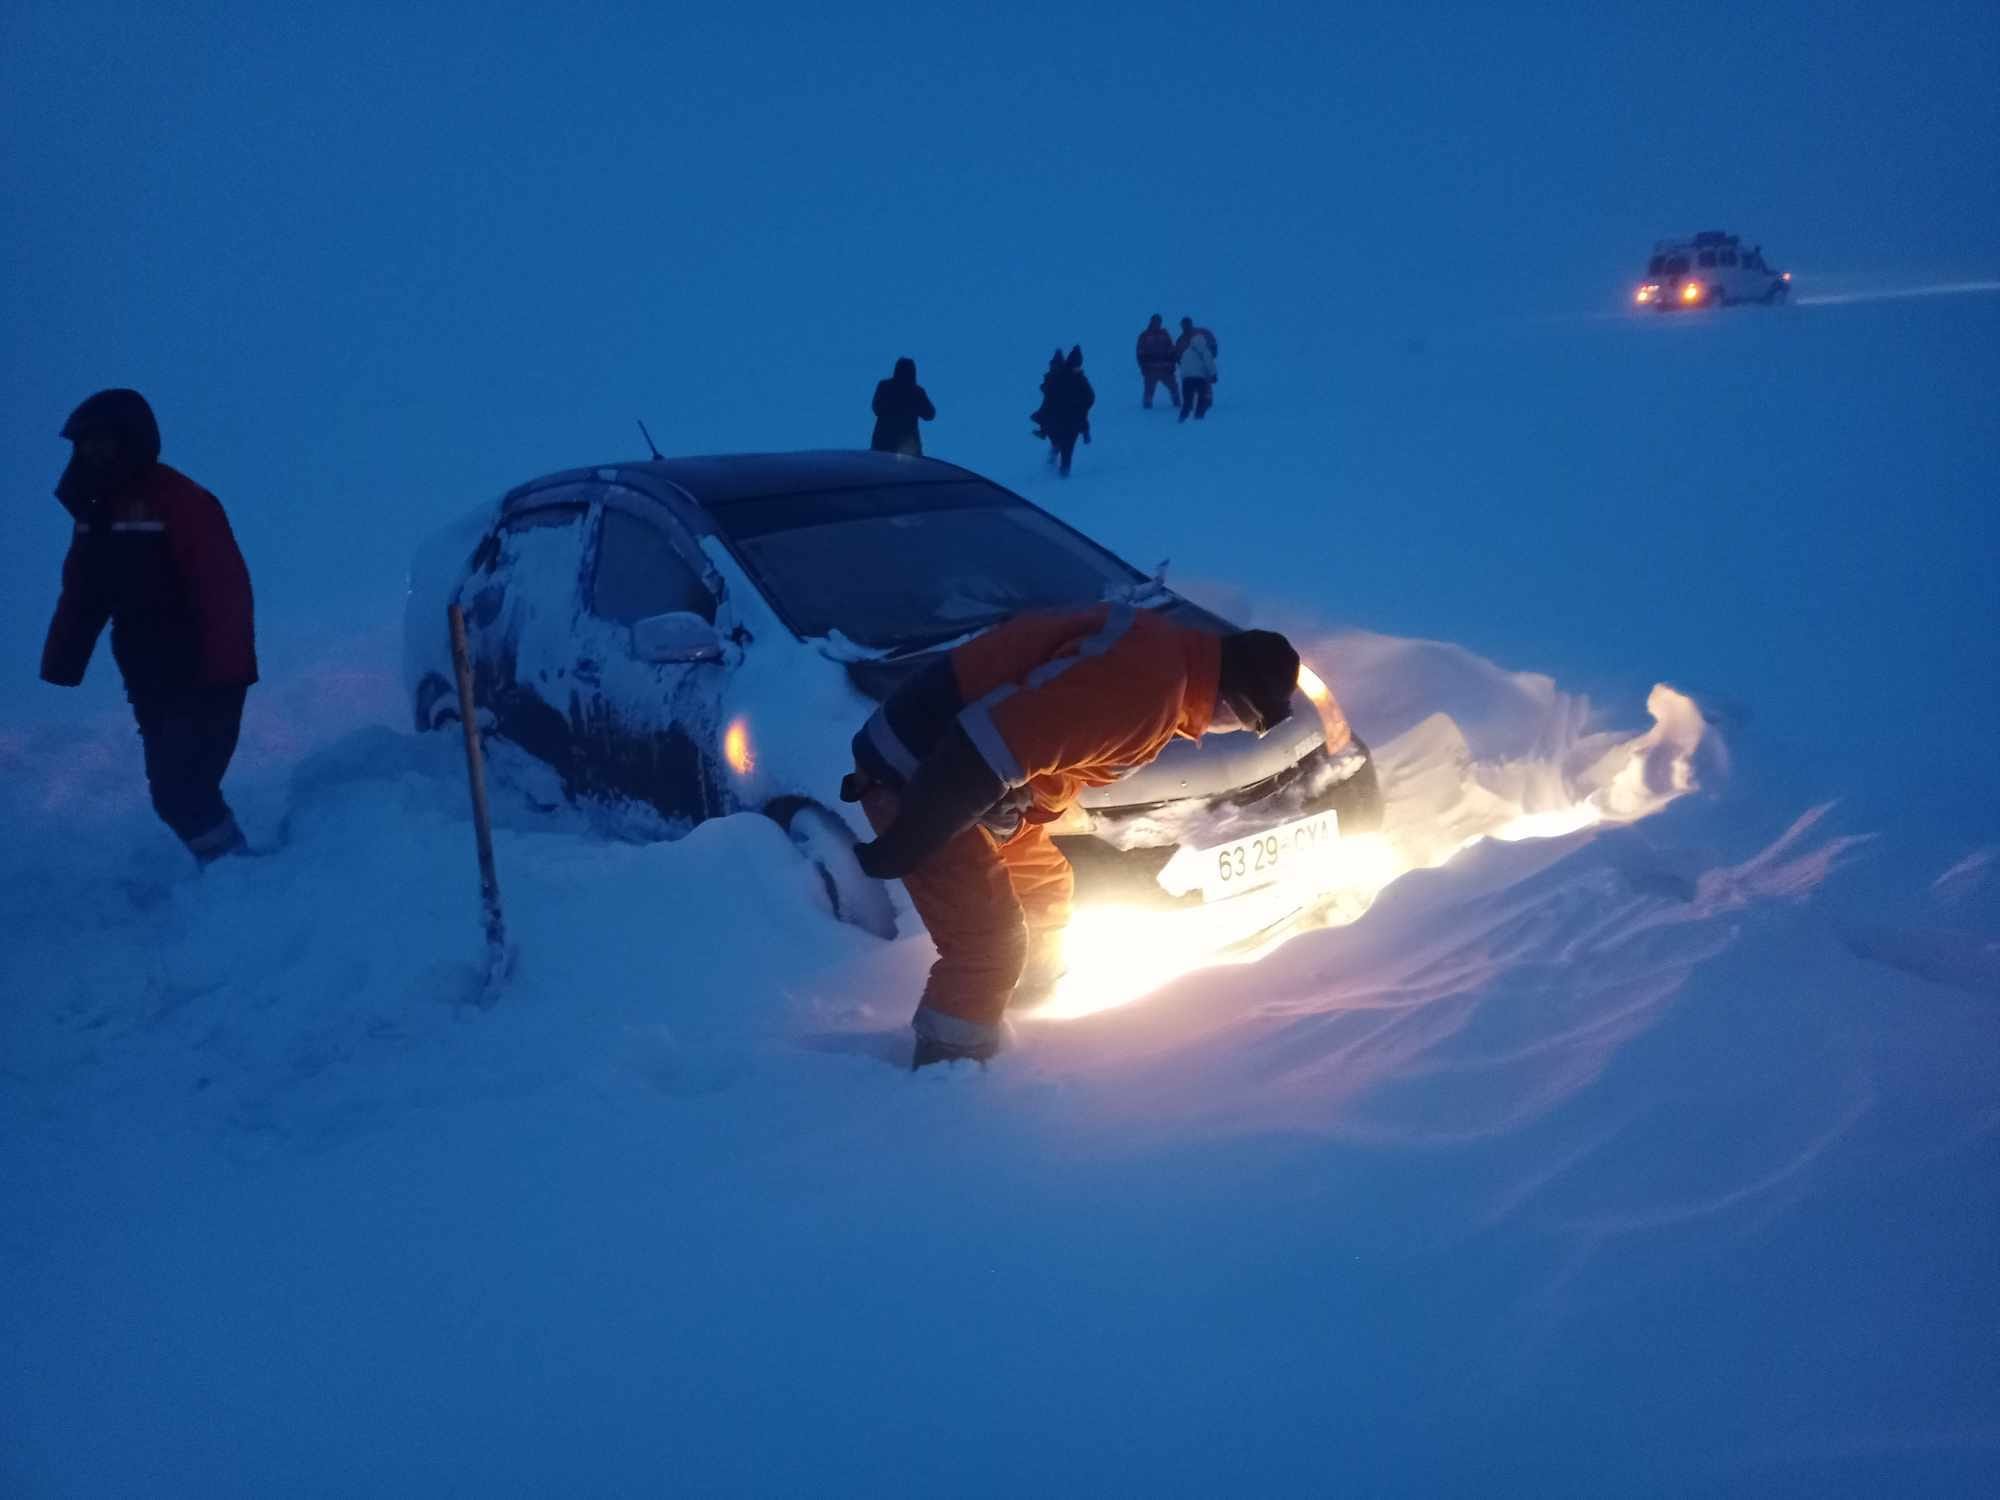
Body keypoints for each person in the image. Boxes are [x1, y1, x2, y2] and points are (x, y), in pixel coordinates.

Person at [841, 606, 1304, 1068]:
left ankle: (1031, 1013)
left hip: (967, 784)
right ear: (1233, 702)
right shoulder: (1148, 688)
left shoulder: (1166, 660)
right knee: (989, 944)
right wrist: (908, 841)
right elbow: (982, 748)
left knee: (1046, 889)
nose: (1226, 731)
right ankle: (952, 1064)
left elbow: (1053, 753)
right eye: (1241, 724)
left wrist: (1020, 812)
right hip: (916, 777)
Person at [40, 389, 258, 864]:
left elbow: (224, 589)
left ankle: (242, 877)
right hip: (149, 677)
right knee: (178, 790)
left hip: (201, 674)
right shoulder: (98, 513)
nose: (91, 455)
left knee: (181, 790)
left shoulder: (181, 502)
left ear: (131, 441)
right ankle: (236, 876)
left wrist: (226, 673)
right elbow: (83, 593)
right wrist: (62, 660)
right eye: (85, 445)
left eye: (102, 443)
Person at [1033, 345, 1095, 477]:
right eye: (1077, 365)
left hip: (1069, 421)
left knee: (1066, 447)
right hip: (1062, 420)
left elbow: (1089, 398)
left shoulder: (1077, 378)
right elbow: (1088, 398)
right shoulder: (1070, 378)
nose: (1078, 368)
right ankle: (1060, 469)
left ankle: (1062, 473)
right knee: (1062, 444)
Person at [869, 357, 935, 456]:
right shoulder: (916, 392)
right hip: (899, 443)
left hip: (893, 443)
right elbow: (929, 414)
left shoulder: (886, 386)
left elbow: (929, 414)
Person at [1135, 314, 1180, 410]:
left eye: (1159, 321)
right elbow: (1140, 353)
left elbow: (1171, 349)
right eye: (1155, 321)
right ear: (1151, 322)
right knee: (1149, 390)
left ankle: (1177, 403)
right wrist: (1143, 367)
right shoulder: (1144, 336)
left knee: (1173, 387)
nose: (1157, 324)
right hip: (1151, 369)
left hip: (1166, 368)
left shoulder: (1164, 334)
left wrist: (1173, 363)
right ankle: (1147, 407)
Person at [1176, 320, 1218, 422]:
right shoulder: (1204, 350)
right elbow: (1210, 362)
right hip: (1200, 378)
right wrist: (1213, 374)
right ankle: (1199, 417)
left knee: (1187, 400)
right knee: (1202, 398)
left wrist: (1184, 376)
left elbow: (1181, 363)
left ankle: (1182, 418)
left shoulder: (1186, 351)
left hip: (1186, 379)